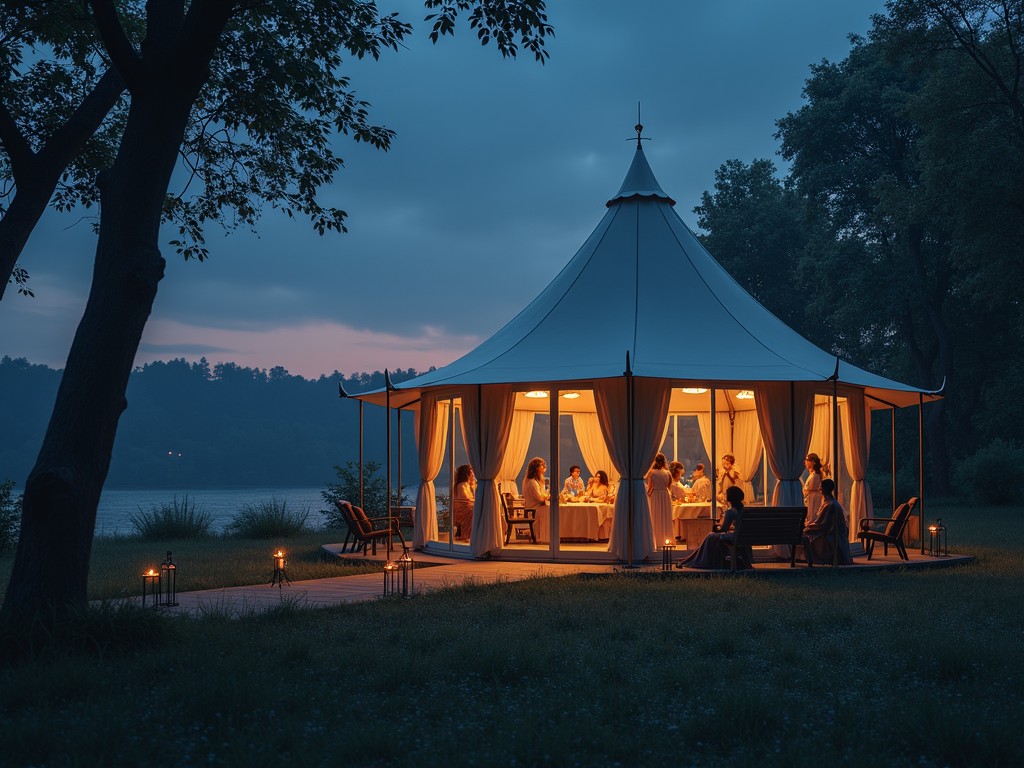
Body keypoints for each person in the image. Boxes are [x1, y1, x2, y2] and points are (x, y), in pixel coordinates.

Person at [676, 485, 751, 570]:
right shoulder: (743, 510)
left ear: (729, 497)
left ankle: (699, 560)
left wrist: (717, 527)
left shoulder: (731, 511)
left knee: (710, 536)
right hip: (742, 537)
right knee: (711, 536)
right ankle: (697, 558)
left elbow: (724, 529)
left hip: (735, 537)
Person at [803, 478, 853, 566]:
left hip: (831, 534)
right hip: (831, 531)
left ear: (824, 489)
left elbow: (823, 525)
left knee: (805, 535)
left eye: (820, 487)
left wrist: (808, 527)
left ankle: (811, 559)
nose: (819, 489)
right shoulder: (829, 502)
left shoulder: (830, 505)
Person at [645, 452, 674, 544]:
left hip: (656, 495)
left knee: (655, 516)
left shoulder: (652, 473)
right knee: (666, 517)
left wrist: (646, 496)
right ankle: (666, 539)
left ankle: (655, 540)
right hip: (665, 495)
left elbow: (650, 487)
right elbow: (669, 487)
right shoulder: (668, 473)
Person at [522, 456, 551, 541]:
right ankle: (547, 536)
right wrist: (548, 497)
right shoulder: (532, 482)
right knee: (551, 511)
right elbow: (539, 498)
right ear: (536, 468)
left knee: (551, 509)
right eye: (542, 466)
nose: (544, 468)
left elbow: (543, 494)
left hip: (537, 506)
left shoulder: (535, 480)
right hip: (534, 509)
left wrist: (546, 495)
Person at [452, 464, 475, 540]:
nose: (473, 476)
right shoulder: (461, 485)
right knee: (474, 511)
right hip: (462, 509)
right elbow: (464, 499)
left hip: (467, 506)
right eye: (472, 474)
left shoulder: (468, 485)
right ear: (467, 475)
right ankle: (467, 536)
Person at [803, 452, 824, 523]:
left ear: (812, 462)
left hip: (813, 500)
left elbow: (810, 488)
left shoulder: (815, 476)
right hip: (810, 499)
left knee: (812, 516)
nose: (805, 462)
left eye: (807, 460)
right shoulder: (812, 474)